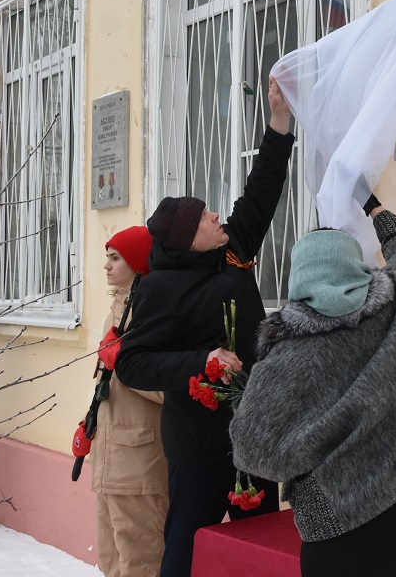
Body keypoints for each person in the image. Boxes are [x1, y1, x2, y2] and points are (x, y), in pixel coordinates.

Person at [115, 77, 294, 577]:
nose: (217, 215)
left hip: (251, 435)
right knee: (187, 552)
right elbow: (133, 361)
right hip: (199, 446)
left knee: (259, 552)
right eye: (203, 218)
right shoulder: (158, 289)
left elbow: (261, 193)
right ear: (186, 240)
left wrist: (279, 121)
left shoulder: (231, 253)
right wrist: (203, 362)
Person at [229, 197, 396, 577]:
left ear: (299, 277)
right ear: (357, 266)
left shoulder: (288, 355)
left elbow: (252, 449)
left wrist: (315, 449)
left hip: (335, 524)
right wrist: (374, 206)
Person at [75, 226, 167, 577]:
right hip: (110, 454)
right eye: (107, 258)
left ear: (139, 262)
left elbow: (166, 385)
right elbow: (105, 383)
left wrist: (126, 363)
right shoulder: (117, 308)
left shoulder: (154, 313)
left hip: (139, 459)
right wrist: (89, 420)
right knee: (111, 556)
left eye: (115, 258)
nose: (106, 266)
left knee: (141, 558)